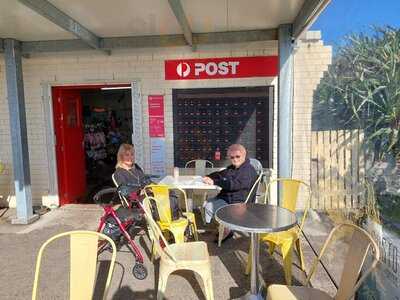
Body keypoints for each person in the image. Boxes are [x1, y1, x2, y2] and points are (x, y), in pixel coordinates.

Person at [203, 144, 257, 243]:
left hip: (238, 203)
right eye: (232, 157)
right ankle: (226, 227)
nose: (235, 159)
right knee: (207, 203)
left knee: (209, 206)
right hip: (228, 198)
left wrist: (214, 182)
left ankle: (227, 229)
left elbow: (234, 185)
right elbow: (221, 174)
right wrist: (208, 176)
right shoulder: (233, 168)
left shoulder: (248, 170)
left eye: (237, 156)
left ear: (244, 155)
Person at [113, 143, 181, 220]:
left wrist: (157, 186)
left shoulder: (136, 168)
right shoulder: (119, 173)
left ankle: (171, 216)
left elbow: (146, 181)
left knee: (169, 192)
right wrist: (142, 190)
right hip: (134, 201)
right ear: (121, 156)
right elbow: (125, 192)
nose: (130, 157)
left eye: (132, 154)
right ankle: (164, 218)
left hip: (145, 194)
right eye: (127, 155)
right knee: (159, 199)